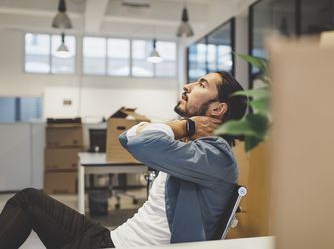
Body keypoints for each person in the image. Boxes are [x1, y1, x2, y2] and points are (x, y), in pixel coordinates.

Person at [0, 71, 247, 249]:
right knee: (28, 200)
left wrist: (188, 125)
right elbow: (131, 137)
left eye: (201, 84)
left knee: (27, 202)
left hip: (113, 246)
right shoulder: (197, 148)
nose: (187, 85)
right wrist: (189, 128)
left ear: (218, 109)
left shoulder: (215, 155)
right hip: (111, 238)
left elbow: (135, 140)